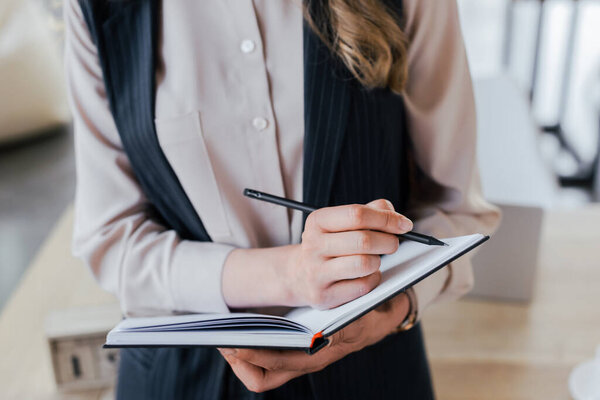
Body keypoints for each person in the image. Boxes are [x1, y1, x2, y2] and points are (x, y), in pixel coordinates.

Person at [64, 0, 500, 398]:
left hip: (370, 374)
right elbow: (111, 241)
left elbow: (458, 209)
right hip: (180, 380)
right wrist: (289, 275)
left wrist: (395, 306)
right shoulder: (96, 10)